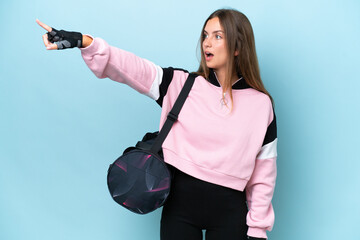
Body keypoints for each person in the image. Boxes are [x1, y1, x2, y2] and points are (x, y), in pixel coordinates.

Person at [37, 8, 277, 240]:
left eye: (217, 36)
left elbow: (264, 173)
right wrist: (85, 42)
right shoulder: (182, 84)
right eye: (205, 35)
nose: (207, 43)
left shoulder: (261, 104)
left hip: (231, 213)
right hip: (180, 208)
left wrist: (258, 230)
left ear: (237, 46)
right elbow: (132, 68)